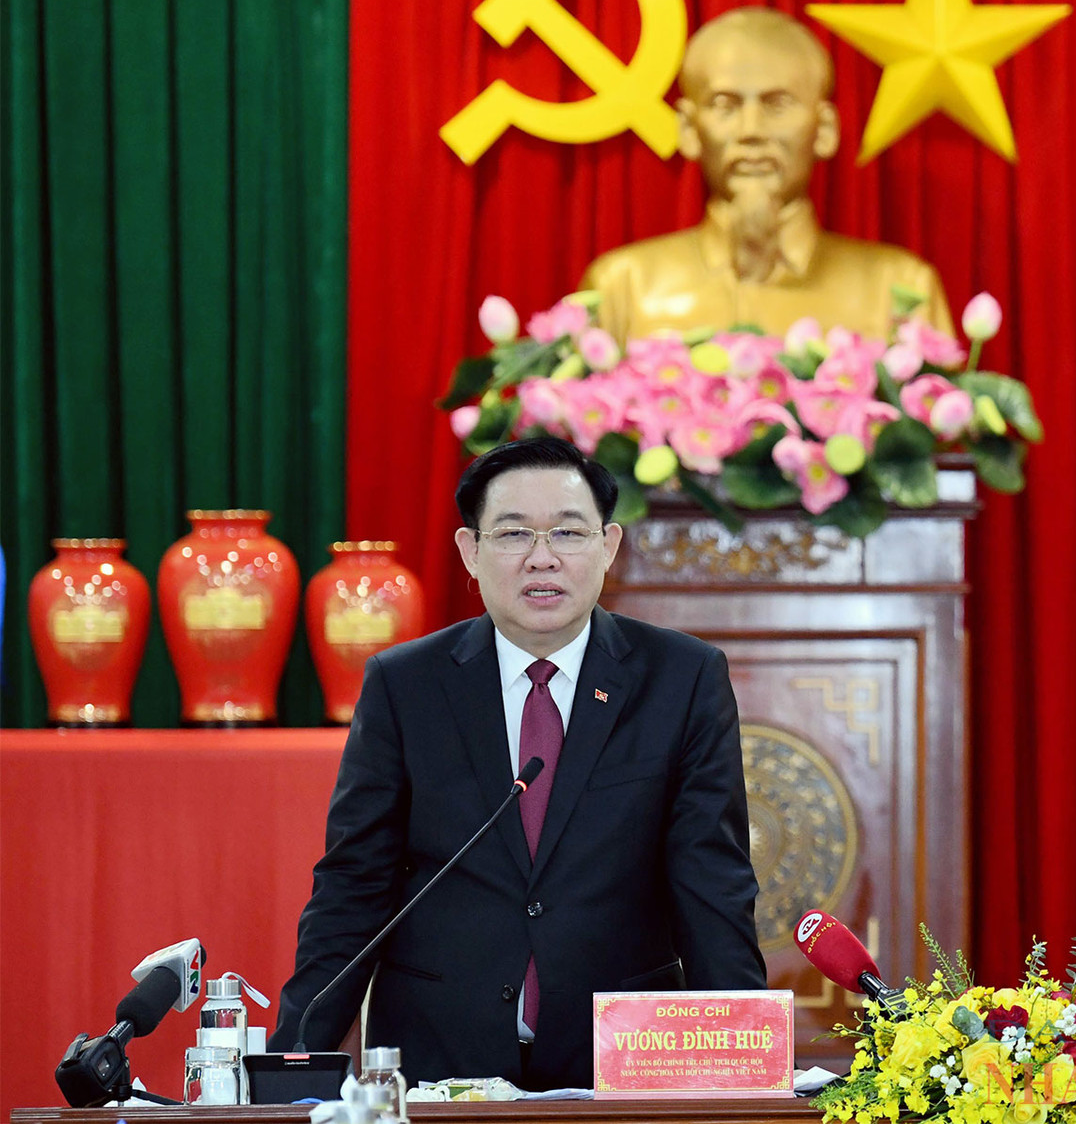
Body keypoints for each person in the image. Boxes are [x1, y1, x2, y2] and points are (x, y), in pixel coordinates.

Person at [269, 438, 764, 1089]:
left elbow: (713, 886)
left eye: (567, 531)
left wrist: (747, 1072)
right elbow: (353, 885)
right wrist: (292, 1059)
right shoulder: (405, 684)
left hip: (617, 1060)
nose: (542, 557)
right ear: (470, 552)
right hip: (439, 1057)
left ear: (608, 545)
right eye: (512, 534)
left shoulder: (682, 679)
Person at [581, 6, 951, 342]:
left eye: (778, 105)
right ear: (690, 130)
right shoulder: (623, 287)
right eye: (725, 105)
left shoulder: (899, 289)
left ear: (824, 130)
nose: (751, 131)